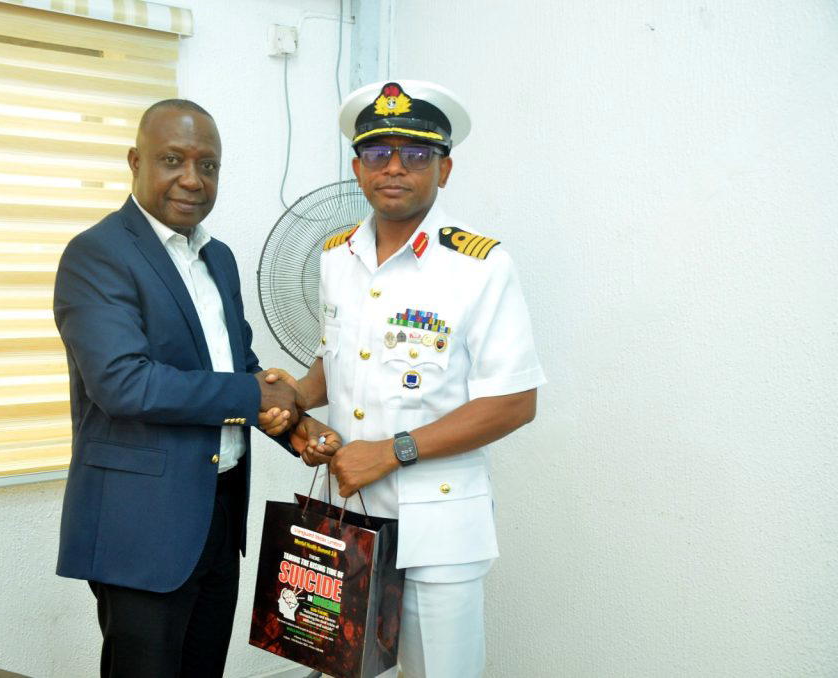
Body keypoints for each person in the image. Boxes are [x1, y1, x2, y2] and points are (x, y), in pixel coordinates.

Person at [270, 80, 547, 677]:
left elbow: (515, 401)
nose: (394, 168)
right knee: (341, 669)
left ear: (444, 170)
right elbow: (337, 357)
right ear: (357, 167)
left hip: (439, 527)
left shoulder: (480, 266)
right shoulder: (335, 257)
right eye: (377, 153)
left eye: (415, 155)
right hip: (348, 511)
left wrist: (392, 452)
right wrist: (296, 393)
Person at [52, 99, 338, 678]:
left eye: (207, 165)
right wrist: (256, 396)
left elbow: (240, 367)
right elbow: (123, 384)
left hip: (220, 515)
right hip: (143, 528)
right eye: (172, 159)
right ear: (135, 162)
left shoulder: (220, 259)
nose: (191, 178)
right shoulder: (97, 255)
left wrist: (299, 431)